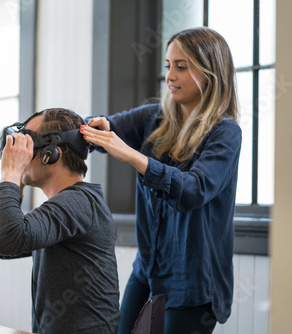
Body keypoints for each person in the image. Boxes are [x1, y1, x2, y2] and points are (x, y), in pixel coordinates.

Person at [80, 27, 241, 334]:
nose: (170, 76)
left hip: (193, 281)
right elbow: (106, 128)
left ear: (211, 72)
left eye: (182, 67)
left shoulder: (226, 133)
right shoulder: (154, 117)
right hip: (148, 269)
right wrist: (92, 127)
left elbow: (193, 190)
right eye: (168, 66)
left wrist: (131, 155)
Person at [0, 108, 121, 333]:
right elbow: (4, 248)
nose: (22, 152)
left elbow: (5, 239)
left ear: (52, 153)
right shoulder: (72, 203)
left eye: (28, 144)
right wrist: (15, 181)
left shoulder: (78, 202)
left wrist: (11, 173)